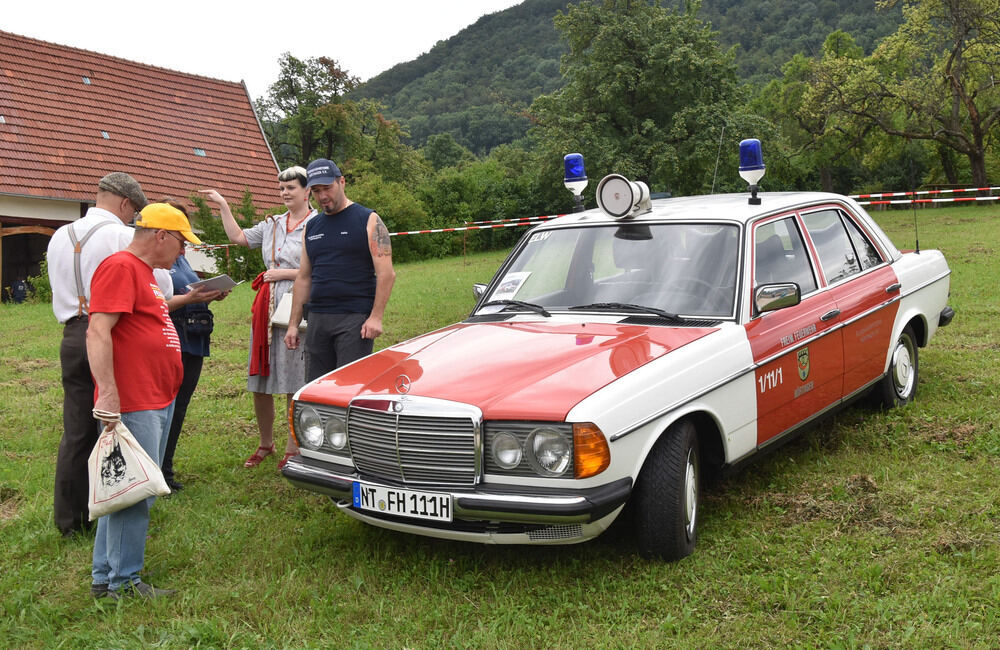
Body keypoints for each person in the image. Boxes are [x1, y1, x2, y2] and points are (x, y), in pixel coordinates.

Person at [47, 172, 173, 538]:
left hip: (72, 332)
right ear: (125, 203)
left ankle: (70, 520)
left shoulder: (59, 235)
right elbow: (158, 284)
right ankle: (118, 501)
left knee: (75, 429)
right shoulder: (119, 236)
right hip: (113, 332)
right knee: (116, 423)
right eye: (134, 211)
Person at [87, 202, 201, 599]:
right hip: (135, 399)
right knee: (135, 492)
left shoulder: (146, 274)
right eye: (181, 242)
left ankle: (106, 578)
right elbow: (98, 331)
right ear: (161, 236)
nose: (182, 251)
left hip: (156, 395)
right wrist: (111, 393)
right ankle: (124, 583)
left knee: (125, 488)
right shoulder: (120, 267)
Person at [199, 166, 315, 470]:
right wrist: (224, 205)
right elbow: (238, 237)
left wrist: (286, 273)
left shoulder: (317, 225)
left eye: (291, 187)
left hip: (299, 300)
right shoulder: (272, 225)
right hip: (267, 304)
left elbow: (322, 267)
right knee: (261, 377)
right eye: (282, 188)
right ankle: (266, 442)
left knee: (294, 375)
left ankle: (294, 445)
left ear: (307, 191)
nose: (286, 193)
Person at [284, 158, 396, 382]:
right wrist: (293, 324)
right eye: (316, 190)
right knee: (316, 390)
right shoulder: (312, 226)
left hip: (354, 319)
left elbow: (386, 274)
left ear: (342, 182)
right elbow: (304, 278)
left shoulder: (368, 219)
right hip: (317, 319)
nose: (323, 196)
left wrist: (375, 317)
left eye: (327, 188)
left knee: (349, 388)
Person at [162, 201, 227, 492]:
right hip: (174, 335)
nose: (184, 241)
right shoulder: (157, 262)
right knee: (167, 406)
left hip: (195, 335)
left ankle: (166, 468)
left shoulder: (183, 259)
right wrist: (193, 298)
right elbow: (160, 302)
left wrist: (210, 295)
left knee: (180, 406)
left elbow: (189, 292)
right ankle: (159, 471)